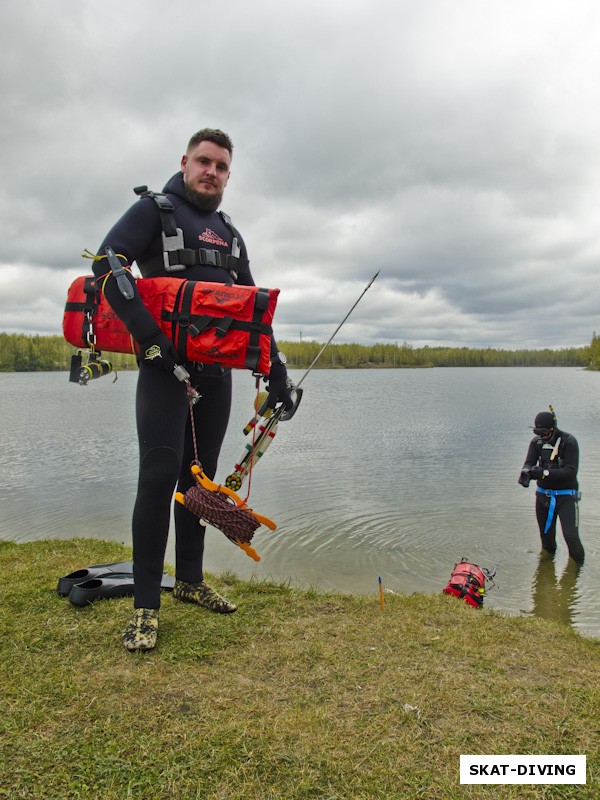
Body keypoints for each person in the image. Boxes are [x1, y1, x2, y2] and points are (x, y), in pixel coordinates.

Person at [92, 128, 293, 651]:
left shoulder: (228, 231)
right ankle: (144, 608)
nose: (212, 172)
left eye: (222, 166)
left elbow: (253, 309)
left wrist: (278, 373)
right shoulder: (153, 212)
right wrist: (152, 341)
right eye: (204, 162)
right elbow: (106, 263)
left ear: (229, 174)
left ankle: (190, 580)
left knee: (197, 482)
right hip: (162, 371)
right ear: (185, 162)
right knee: (158, 480)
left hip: (216, 376)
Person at [518, 409, 584, 564]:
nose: (542, 436)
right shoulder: (536, 442)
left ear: (553, 428)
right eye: (538, 432)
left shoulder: (569, 442)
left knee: (571, 537)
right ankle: (546, 573)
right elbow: (529, 462)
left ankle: (576, 571)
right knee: (546, 539)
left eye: (545, 432)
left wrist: (544, 473)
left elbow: (571, 471)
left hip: (566, 497)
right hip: (543, 497)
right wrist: (526, 472)